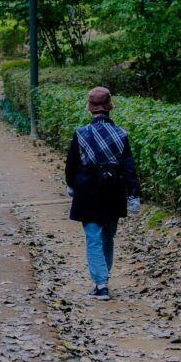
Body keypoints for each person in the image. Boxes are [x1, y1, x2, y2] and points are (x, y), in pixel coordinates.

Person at [65, 87, 141, 300]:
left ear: (90, 109)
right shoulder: (121, 134)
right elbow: (129, 167)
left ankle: (101, 284)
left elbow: (72, 164)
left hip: (88, 191)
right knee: (108, 237)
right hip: (113, 192)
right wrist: (133, 194)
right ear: (109, 107)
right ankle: (103, 280)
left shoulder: (81, 133)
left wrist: (71, 185)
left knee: (93, 239)